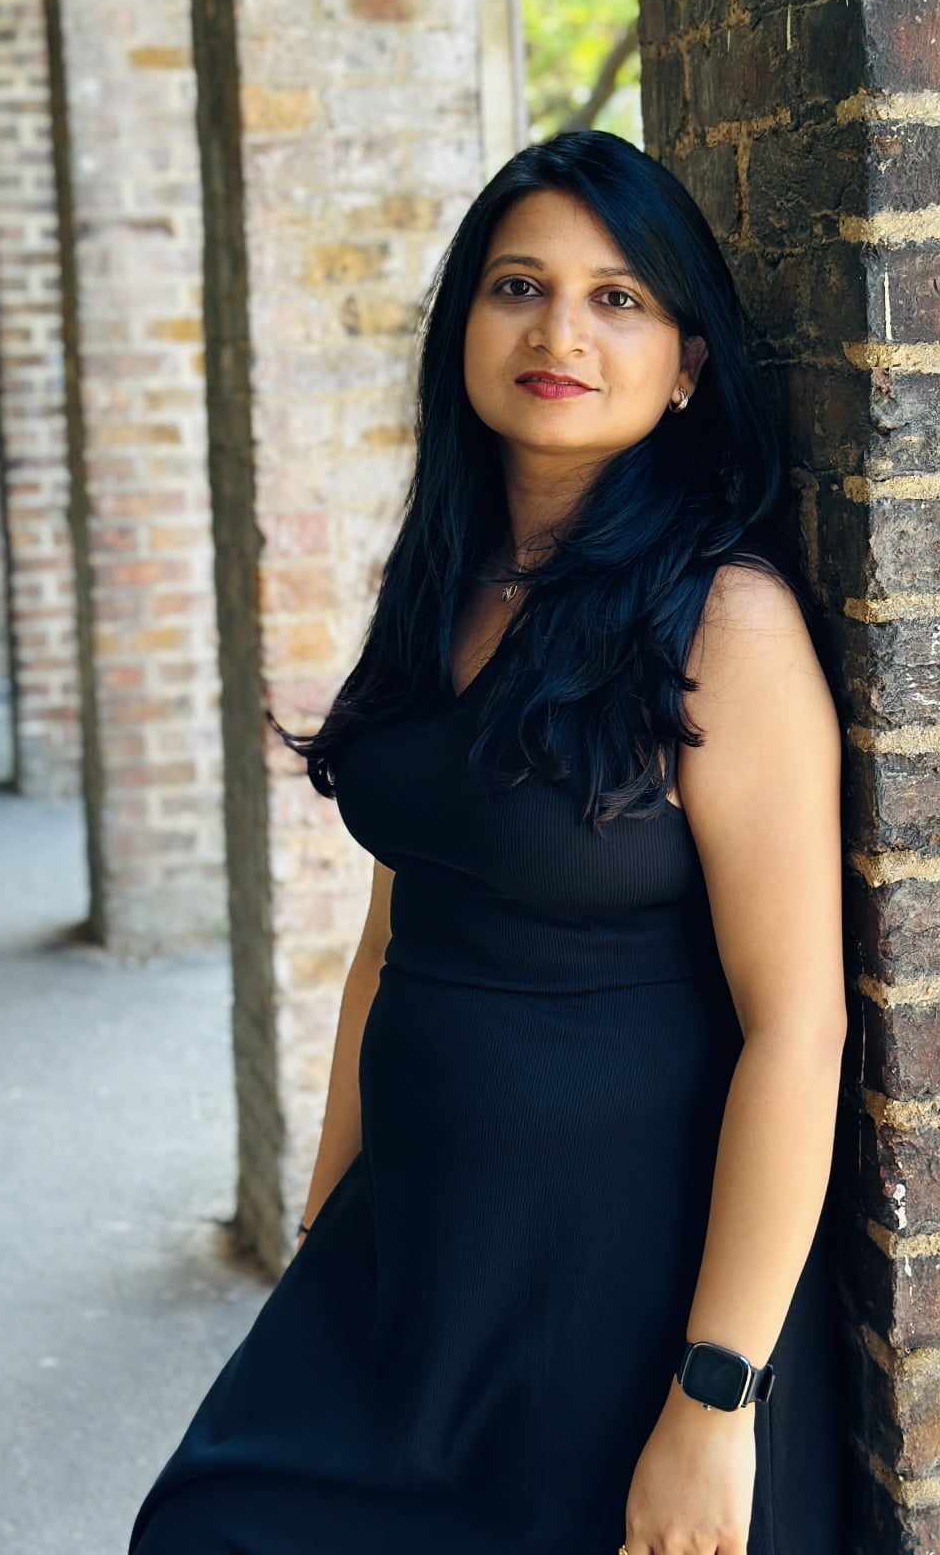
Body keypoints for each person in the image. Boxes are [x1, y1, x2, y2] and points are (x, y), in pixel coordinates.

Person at [127, 128, 847, 1554]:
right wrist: (333, 1221)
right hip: (412, 1264)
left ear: (687, 363)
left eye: (618, 297)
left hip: (615, 1299)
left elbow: (798, 1031)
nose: (560, 330)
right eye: (519, 285)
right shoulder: (445, 582)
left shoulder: (725, 624)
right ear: (466, 323)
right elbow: (394, 943)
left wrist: (715, 1403)